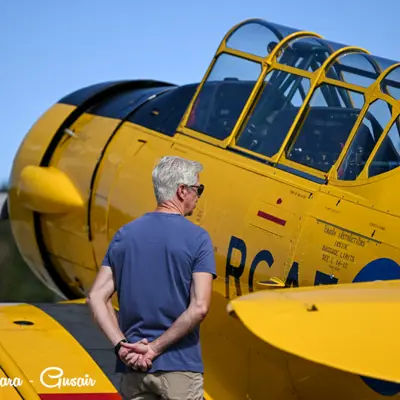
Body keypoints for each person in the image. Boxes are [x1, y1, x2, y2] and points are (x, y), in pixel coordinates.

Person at [86, 155, 216, 400]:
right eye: (198, 189)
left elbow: (95, 296)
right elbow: (199, 307)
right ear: (182, 191)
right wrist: (154, 349)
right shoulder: (198, 239)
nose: (198, 196)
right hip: (179, 368)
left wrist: (121, 346)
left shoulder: (125, 235)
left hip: (134, 368)